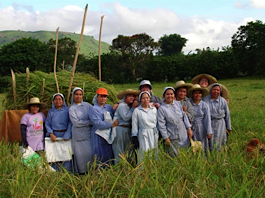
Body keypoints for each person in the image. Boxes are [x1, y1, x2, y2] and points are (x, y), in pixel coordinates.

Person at [157, 87, 193, 157]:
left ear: (174, 95)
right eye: (168, 94)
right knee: (174, 156)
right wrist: (166, 137)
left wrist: (189, 128)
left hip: (183, 134)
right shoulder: (162, 109)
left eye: (171, 94)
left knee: (185, 155)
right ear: (164, 95)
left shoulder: (178, 104)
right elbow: (162, 125)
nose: (170, 96)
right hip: (172, 136)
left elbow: (184, 117)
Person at [88, 88, 119, 166]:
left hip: (108, 134)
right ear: (97, 97)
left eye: (105, 97)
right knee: (98, 153)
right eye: (101, 96)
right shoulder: (94, 109)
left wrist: (117, 105)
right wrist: (111, 125)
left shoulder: (108, 107)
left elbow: (115, 112)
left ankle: (108, 170)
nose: (103, 98)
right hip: (97, 134)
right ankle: (98, 172)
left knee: (108, 152)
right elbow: (98, 123)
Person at [45, 93, 73, 172]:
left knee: (66, 154)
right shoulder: (51, 111)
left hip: (65, 135)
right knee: (55, 154)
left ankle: (67, 172)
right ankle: (56, 172)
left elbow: (70, 122)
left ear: (63, 100)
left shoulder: (67, 110)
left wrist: (67, 134)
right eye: (56, 99)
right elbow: (47, 123)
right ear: (53, 101)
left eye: (59, 99)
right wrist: (51, 134)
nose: (58, 101)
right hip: (55, 135)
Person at [69, 87, 93, 174]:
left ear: (82, 95)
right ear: (73, 95)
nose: (78, 96)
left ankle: (90, 170)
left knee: (89, 153)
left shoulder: (88, 105)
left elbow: (94, 114)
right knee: (79, 155)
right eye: (76, 94)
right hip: (78, 135)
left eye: (80, 94)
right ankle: (81, 172)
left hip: (88, 134)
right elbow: (76, 123)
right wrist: (89, 122)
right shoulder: (72, 108)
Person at [112, 89, 139, 164]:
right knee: (120, 149)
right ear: (125, 97)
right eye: (129, 96)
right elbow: (126, 117)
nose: (131, 98)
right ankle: (119, 167)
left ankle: (127, 167)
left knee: (127, 149)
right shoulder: (122, 106)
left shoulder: (128, 106)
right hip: (121, 129)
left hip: (127, 129)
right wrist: (133, 108)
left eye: (133, 96)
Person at [131, 91, 159, 164]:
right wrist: (134, 136)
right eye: (143, 98)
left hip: (153, 133)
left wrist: (159, 133)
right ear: (140, 100)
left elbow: (157, 122)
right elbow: (134, 124)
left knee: (154, 152)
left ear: (149, 99)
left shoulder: (154, 110)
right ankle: (142, 171)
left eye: (147, 98)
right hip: (143, 134)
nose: (145, 100)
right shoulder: (137, 111)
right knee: (144, 152)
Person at [203, 83, 232, 151]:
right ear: (210, 90)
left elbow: (227, 115)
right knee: (209, 140)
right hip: (209, 122)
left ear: (220, 91)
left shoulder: (223, 101)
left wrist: (228, 127)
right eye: (214, 90)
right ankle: (209, 157)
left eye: (218, 90)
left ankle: (220, 157)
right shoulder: (205, 100)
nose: (216, 92)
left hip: (220, 123)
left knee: (220, 140)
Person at [188, 84, 212, 153]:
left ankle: (203, 160)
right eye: (195, 93)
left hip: (201, 127)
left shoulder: (204, 105)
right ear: (192, 94)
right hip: (191, 127)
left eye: (199, 93)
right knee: (192, 145)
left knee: (202, 144)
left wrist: (209, 131)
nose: (197, 95)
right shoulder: (188, 103)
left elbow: (207, 119)